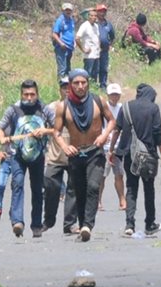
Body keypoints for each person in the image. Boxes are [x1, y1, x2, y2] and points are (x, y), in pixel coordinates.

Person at [54, 69, 116, 242]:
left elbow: (112, 120)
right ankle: (83, 225)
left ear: (88, 83)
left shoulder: (98, 101)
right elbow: (56, 132)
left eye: (83, 83)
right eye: (76, 83)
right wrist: (65, 147)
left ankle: (88, 224)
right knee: (79, 191)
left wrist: (104, 136)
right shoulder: (63, 107)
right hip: (75, 154)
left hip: (95, 151)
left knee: (94, 186)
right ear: (70, 85)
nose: (80, 86)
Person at [0, 79, 55, 237]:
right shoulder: (13, 109)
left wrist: (44, 131)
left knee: (37, 189)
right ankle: (17, 222)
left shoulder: (45, 109)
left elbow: (56, 129)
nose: (29, 97)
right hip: (17, 154)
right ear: (21, 94)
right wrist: (2, 138)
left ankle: (36, 225)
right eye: (26, 94)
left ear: (37, 94)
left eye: (32, 94)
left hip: (38, 156)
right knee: (17, 184)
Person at [116, 83, 161, 237]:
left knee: (131, 188)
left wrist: (113, 150)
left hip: (129, 154)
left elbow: (117, 129)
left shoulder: (125, 107)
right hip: (149, 155)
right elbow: (157, 132)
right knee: (148, 189)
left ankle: (129, 224)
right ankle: (150, 223)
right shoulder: (153, 108)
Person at [42, 76, 77, 233]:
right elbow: (42, 129)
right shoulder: (51, 108)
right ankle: (48, 220)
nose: (67, 90)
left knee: (73, 190)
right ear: (60, 89)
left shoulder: (79, 107)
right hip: (54, 155)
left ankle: (69, 224)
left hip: (74, 154)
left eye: (69, 86)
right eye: (64, 87)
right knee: (50, 187)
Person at [96, 83, 127, 212]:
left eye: (116, 94)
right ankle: (98, 201)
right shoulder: (103, 107)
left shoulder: (122, 108)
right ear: (108, 95)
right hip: (104, 146)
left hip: (118, 146)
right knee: (102, 175)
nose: (114, 97)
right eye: (112, 94)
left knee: (119, 174)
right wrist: (103, 135)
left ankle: (122, 200)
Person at [76, 7, 102, 82]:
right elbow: (77, 38)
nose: (94, 17)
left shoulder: (96, 26)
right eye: (91, 15)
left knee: (95, 73)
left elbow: (98, 37)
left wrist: (99, 47)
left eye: (95, 16)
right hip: (89, 55)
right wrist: (83, 49)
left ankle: (94, 88)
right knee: (87, 73)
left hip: (96, 55)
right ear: (88, 16)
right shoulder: (85, 26)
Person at [93, 5, 115, 90]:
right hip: (95, 50)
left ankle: (103, 86)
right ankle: (94, 86)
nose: (102, 13)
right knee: (95, 69)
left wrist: (110, 45)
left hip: (105, 51)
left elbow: (112, 37)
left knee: (104, 69)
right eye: (100, 11)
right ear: (97, 12)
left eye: (104, 11)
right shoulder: (93, 23)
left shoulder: (108, 24)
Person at [52, 3, 77, 79]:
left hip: (70, 47)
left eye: (69, 10)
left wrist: (74, 42)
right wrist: (61, 43)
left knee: (68, 69)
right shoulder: (60, 21)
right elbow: (54, 34)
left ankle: (67, 86)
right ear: (63, 10)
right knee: (62, 68)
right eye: (66, 10)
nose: (68, 11)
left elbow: (71, 32)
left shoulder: (71, 20)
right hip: (62, 47)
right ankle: (61, 84)